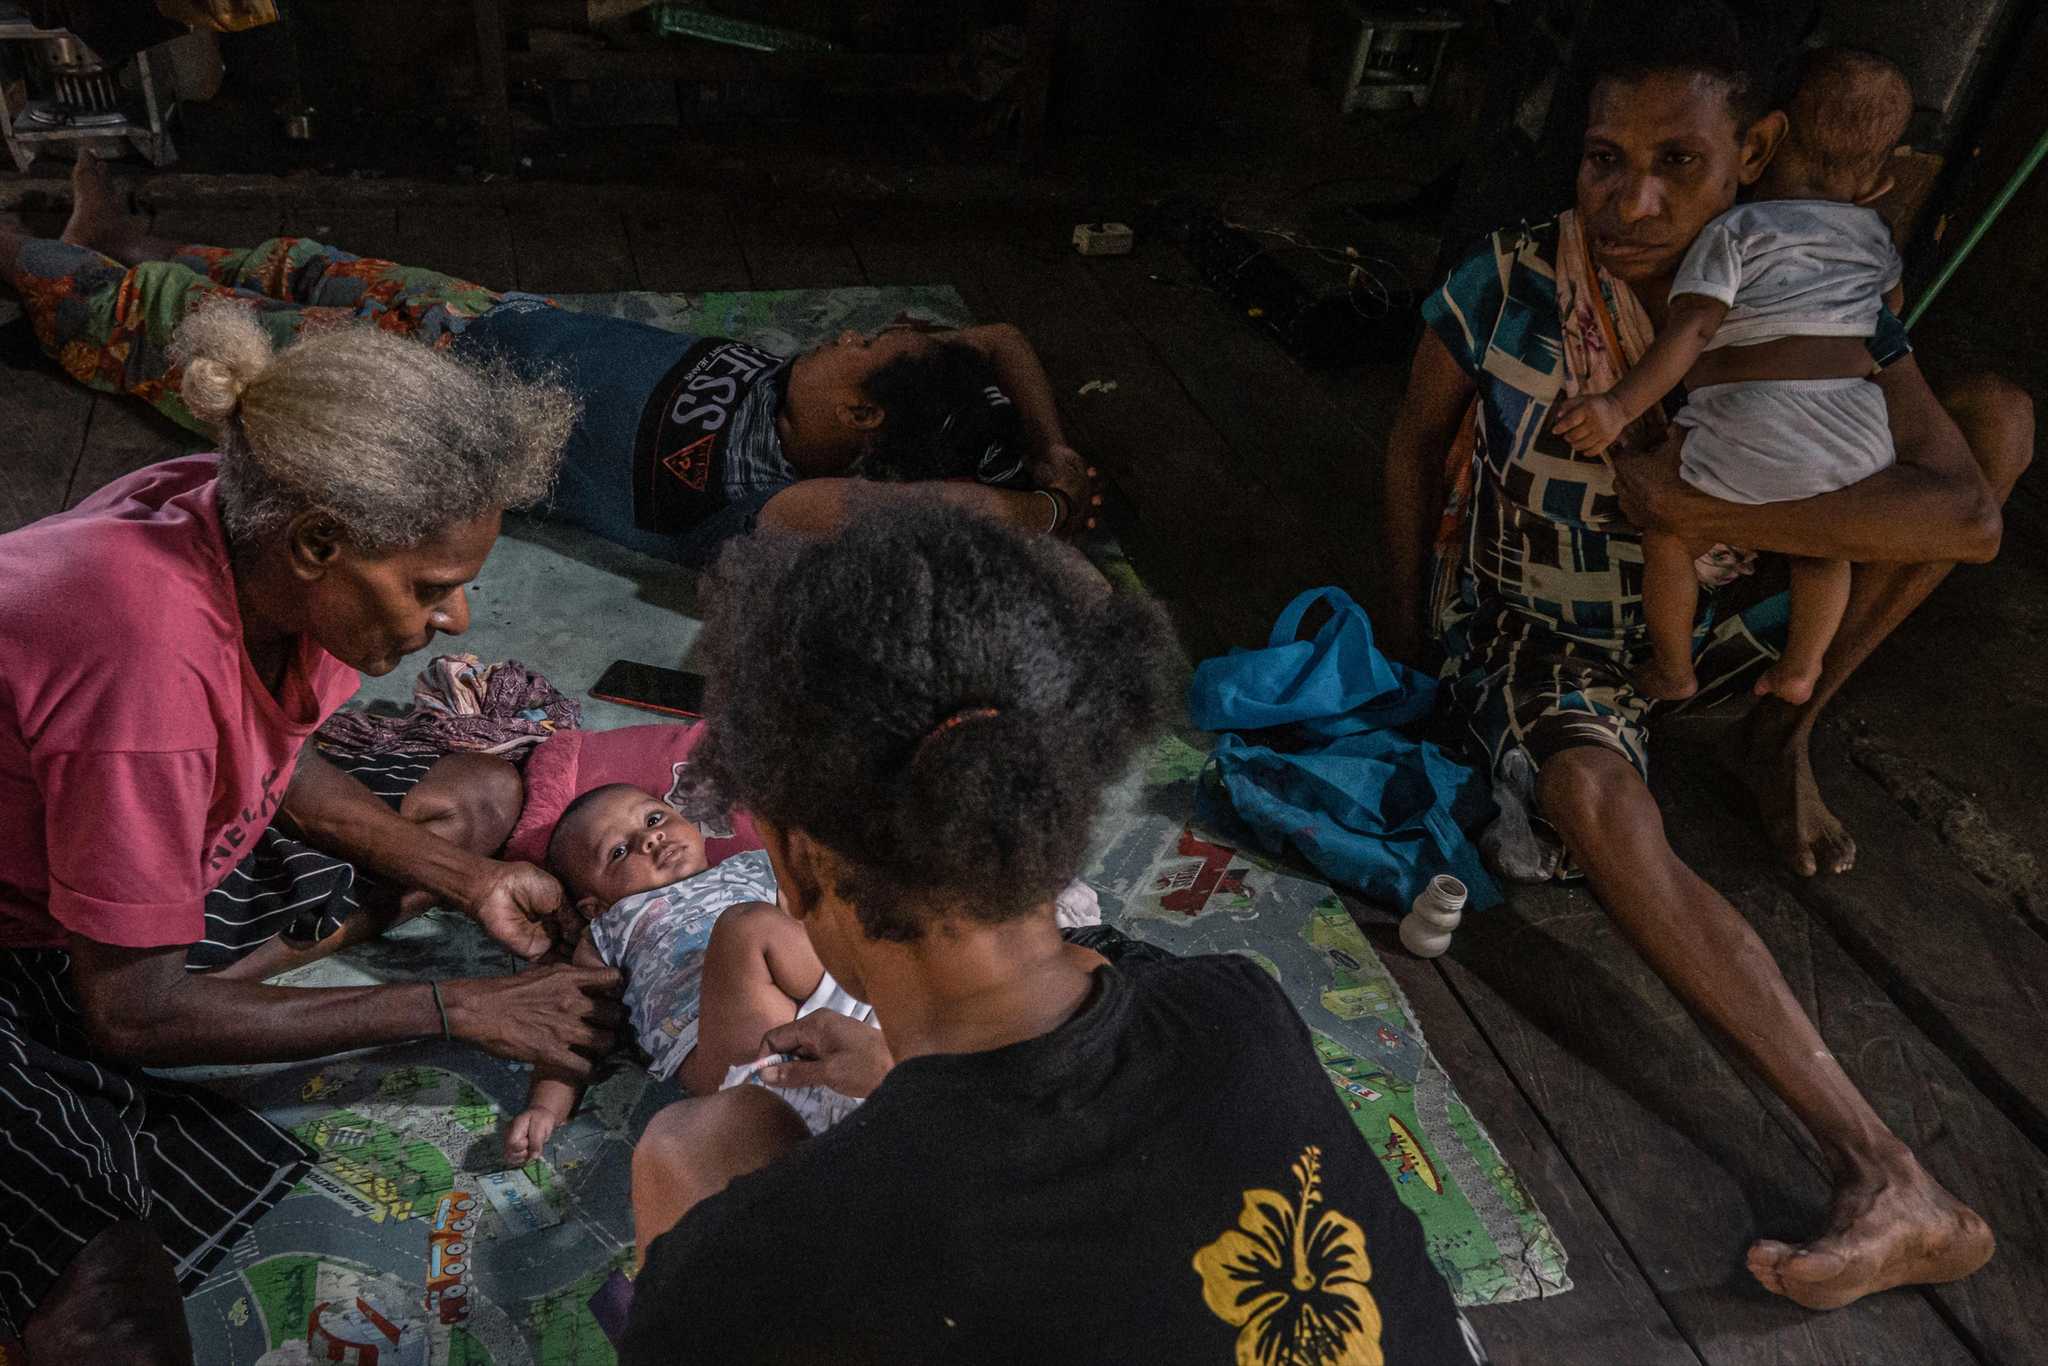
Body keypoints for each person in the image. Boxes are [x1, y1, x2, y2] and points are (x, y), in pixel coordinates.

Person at [1380, 6, 2028, 1309]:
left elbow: (1963, 513)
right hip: (1561, 634)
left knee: (1995, 423)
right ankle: (1881, 1160)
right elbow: (1408, 452)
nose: (1632, 197)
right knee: (1588, 795)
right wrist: (1414, 649)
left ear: (1758, 155)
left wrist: (1708, 517)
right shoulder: (1512, 283)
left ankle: (1782, 728)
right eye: (1603, 158)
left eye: (1679, 160)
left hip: (1728, 616)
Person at [619, 505, 1485, 1364]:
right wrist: (894, 1079)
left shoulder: (756, 1268)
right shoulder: (1235, 1009)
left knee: (688, 1151)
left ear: (798, 864)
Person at [0, 302, 626, 1364]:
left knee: (475, 798)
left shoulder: (249, 538)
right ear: (319, 545)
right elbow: (134, 1013)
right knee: (109, 1311)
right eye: (432, 589)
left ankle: (215, 955)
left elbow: (270, 745)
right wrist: (458, 1004)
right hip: (54, 952)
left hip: (101, 834)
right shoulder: (142, 662)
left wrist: (461, 876)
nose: (460, 622)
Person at [1, 157, 1101, 566]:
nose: (849, 334)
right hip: (481, 317)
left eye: (866, 348)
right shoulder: (799, 393)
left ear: (866, 419)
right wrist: (1051, 450)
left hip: (433, 402)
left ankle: (42, 265)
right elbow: (995, 338)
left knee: (169, 326)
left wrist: (1042, 517)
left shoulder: (792, 499)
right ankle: (132, 239)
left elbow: (958, 504)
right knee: (305, 264)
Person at [1552, 50, 1914, 704]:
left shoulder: (1740, 230)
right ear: (1879, 186)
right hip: (1855, 439)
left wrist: (1615, 405)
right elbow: (1887, 319)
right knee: (1824, 548)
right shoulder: (1876, 238)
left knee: (1669, 529)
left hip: (1750, 430)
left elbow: (1689, 334)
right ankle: (1803, 668)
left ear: (1760, 153)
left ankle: (1672, 668)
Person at [504, 782, 875, 1163]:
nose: (649, 839)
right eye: (618, 851)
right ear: (594, 907)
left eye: (654, 818)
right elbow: (571, 1030)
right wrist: (545, 1108)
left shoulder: (753, 863)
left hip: (834, 1011)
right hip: (728, 1055)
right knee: (748, 926)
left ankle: (881, 1023)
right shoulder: (607, 931)